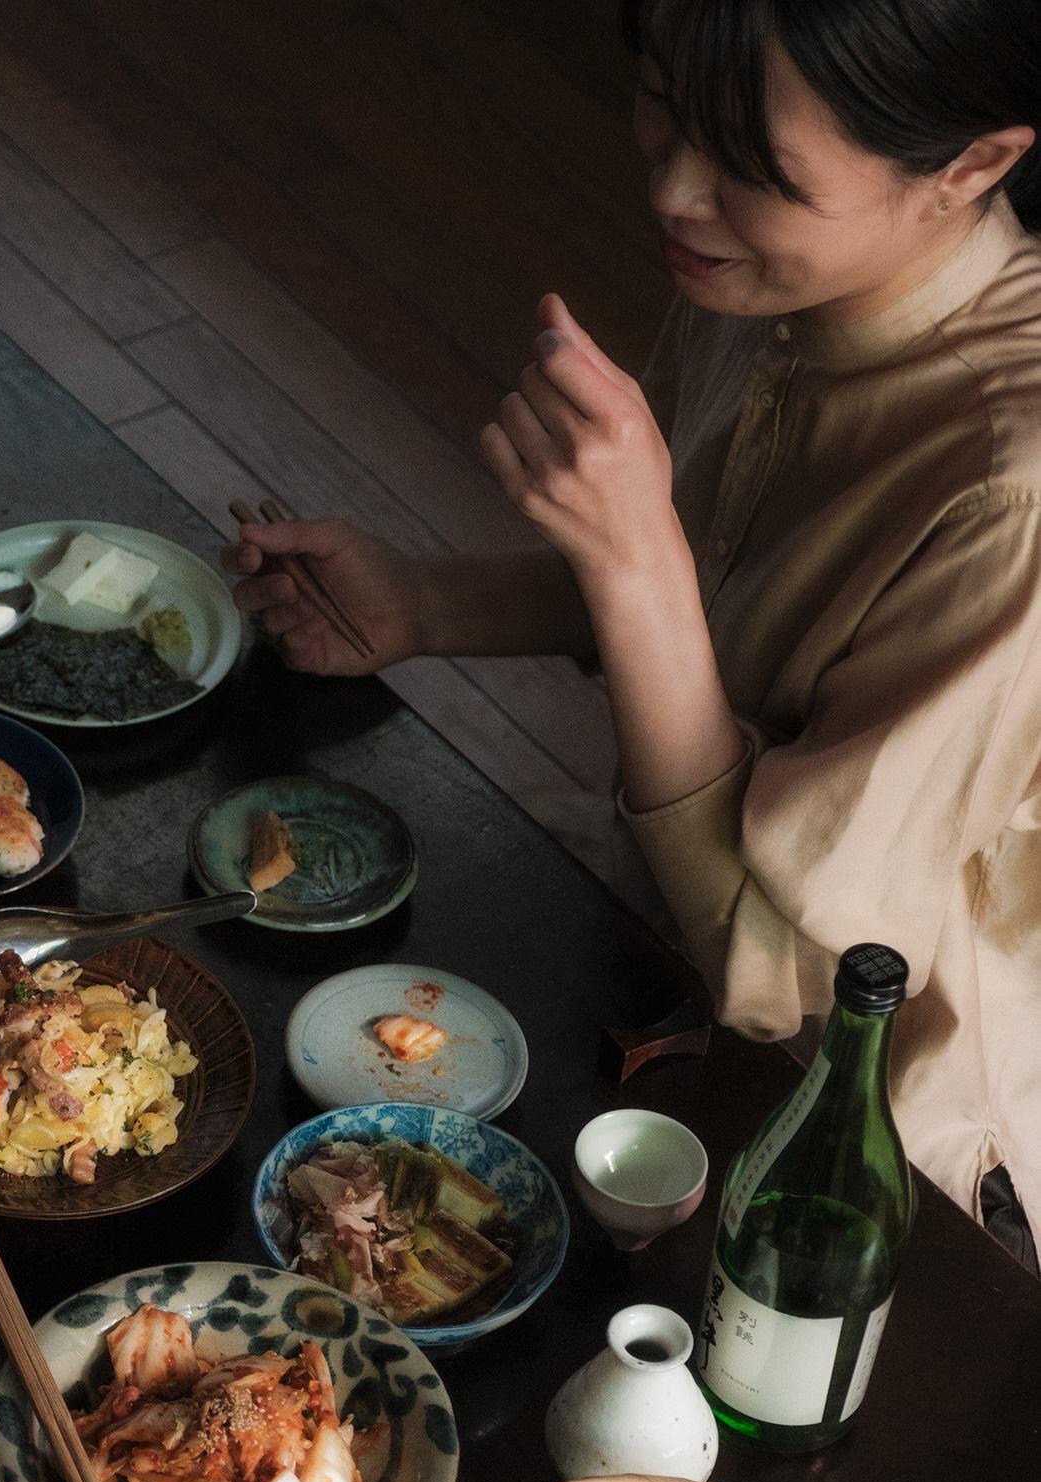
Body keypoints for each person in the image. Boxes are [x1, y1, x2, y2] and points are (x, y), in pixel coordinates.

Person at [228, 0, 1041, 1270]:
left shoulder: (1010, 489)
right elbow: (709, 614)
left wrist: (628, 552)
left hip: (860, 1166)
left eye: (748, 164)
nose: (672, 185)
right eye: (662, 98)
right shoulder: (780, 275)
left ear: (972, 166)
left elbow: (785, 977)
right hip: (659, 950)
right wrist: (422, 605)